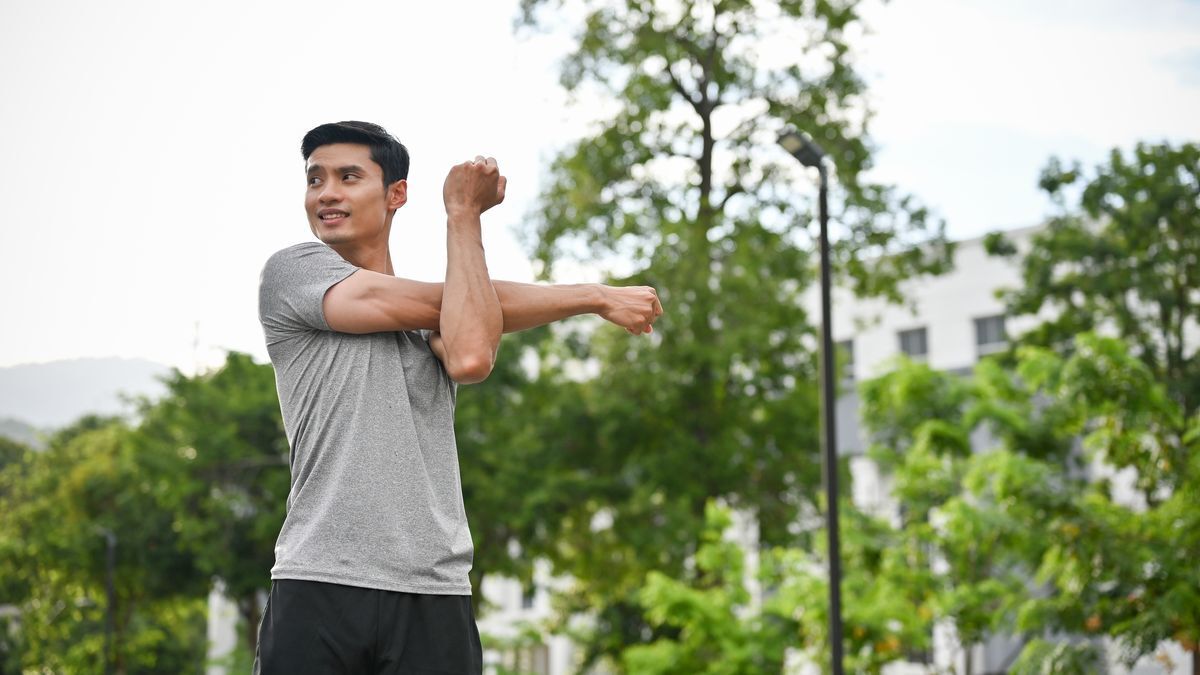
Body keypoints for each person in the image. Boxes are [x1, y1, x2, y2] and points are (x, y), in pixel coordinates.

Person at [254, 121, 662, 674]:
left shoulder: (440, 317)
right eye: (315, 180)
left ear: (396, 193)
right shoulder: (293, 273)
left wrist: (467, 224)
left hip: (433, 585)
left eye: (349, 177)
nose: (327, 193)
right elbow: (445, 302)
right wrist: (585, 291)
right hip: (320, 580)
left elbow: (470, 355)